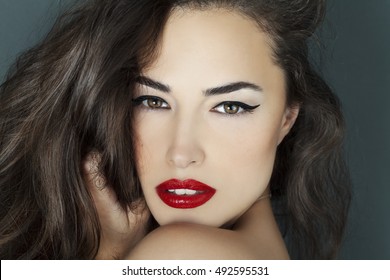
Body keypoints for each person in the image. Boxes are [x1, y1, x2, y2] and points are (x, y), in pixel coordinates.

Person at [0, 0, 351, 259]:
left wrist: (107, 256)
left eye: (230, 106)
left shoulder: (180, 255)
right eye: (153, 101)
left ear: (286, 118)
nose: (182, 153)